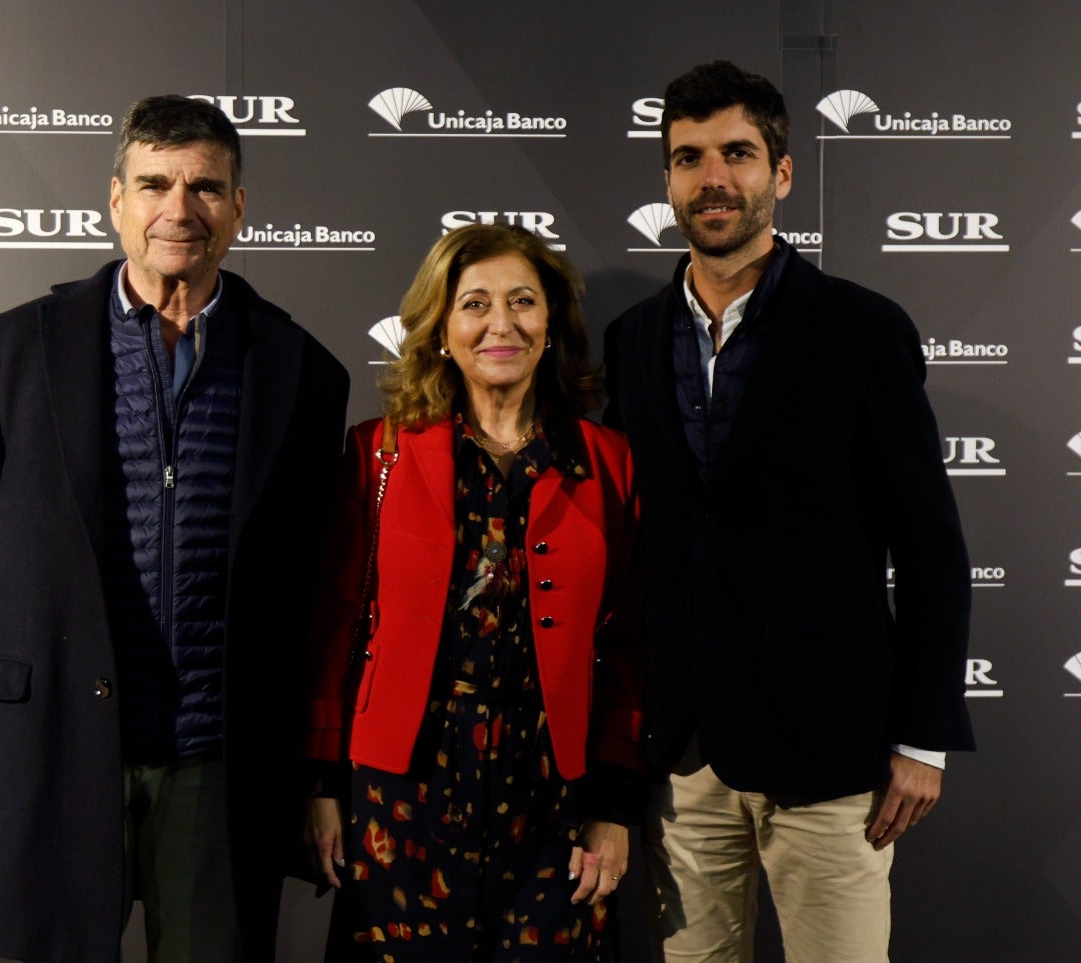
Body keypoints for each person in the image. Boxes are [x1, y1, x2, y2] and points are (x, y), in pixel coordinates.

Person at [0, 95, 349, 963]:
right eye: (154, 183)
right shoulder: (12, 350)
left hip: (215, 761)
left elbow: (310, 579)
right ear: (114, 199)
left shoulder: (301, 370)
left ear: (239, 208)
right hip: (58, 750)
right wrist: (52, 664)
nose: (178, 209)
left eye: (205, 187)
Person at [602, 61, 975, 962]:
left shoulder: (861, 328)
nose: (712, 178)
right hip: (684, 758)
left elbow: (929, 543)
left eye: (736, 152)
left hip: (831, 755)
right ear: (667, 181)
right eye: (688, 158)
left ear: (782, 171)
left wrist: (924, 736)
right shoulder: (630, 341)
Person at [303, 224, 646, 961]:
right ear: (441, 329)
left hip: (553, 795)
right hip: (400, 790)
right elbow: (335, 627)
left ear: (551, 322)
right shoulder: (380, 450)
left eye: (523, 301)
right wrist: (321, 785)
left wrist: (614, 807)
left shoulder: (605, 460)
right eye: (475, 303)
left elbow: (626, 642)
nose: (501, 323)